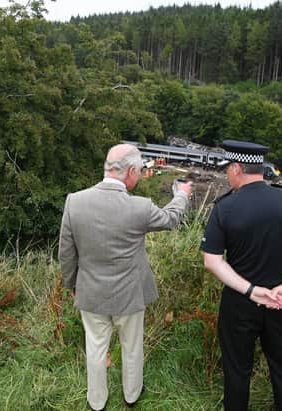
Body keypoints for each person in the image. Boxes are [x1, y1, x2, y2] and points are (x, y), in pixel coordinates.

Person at [58, 143, 192, 411]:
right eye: (141, 170)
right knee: (132, 347)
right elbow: (170, 219)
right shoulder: (140, 207)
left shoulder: (75, 201)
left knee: (95, 347)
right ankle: (131, 396)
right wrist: (182, 195)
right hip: (130, 294)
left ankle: (97, 402)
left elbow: (66, 252)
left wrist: (72, 285)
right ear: (130, 170)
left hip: (91, 291)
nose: (141, 175)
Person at [200, 140, 282, 411]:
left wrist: (250, 290)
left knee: (237, 371)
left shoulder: (225, 207)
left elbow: (212, 261)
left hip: (239, 305)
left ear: (236, 169)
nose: (226, 175)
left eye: (227, 170)